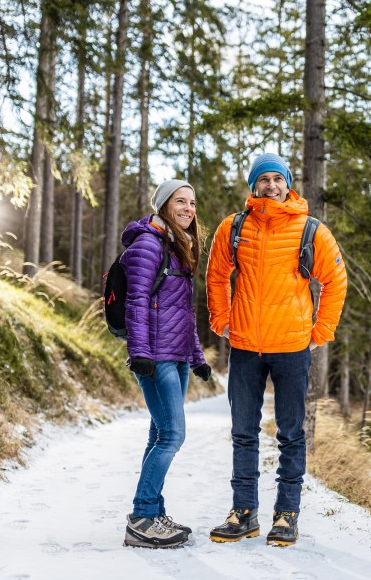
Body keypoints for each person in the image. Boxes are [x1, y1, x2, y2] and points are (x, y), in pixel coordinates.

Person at [206, 153, 347, 547]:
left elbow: (336, 281)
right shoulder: (232, 228)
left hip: (291, 347)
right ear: (253, 186)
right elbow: (216, 276)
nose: (271, 185)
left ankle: (286, 515)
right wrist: (221, 320)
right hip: (246, 347)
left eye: (277, 179)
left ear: (288, 184)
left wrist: (321, 330)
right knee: (243, 433)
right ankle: (243, 513)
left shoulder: (312, 231)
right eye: (263, 179)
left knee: (290, 434)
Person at [121, 180, 212, 549]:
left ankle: (153, 512)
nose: (189, 208)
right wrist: (139, 352)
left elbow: (183, 314)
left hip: (176, 358)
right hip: (156, 356)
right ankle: (142, 516)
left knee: (159, 434)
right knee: (173, 435)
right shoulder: (148, 244)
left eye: (192, 202)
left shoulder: (177, 247)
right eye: (180, 201)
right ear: (163, 206)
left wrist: (198, 358)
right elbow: (137, 301)